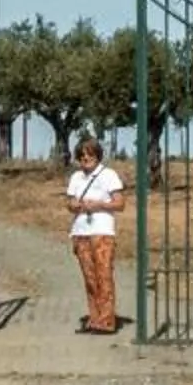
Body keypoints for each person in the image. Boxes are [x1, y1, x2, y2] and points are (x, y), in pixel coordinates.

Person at [64, 135, 125, 335]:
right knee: (89, 278)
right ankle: (94, 318)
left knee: (104, 275)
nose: (85, 159)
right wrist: (74, 205)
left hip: (102, 231)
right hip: (81, 231)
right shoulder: (76, 177)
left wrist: (99, 205)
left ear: (97, 155)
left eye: (89, 155)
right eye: (81, 156)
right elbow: (70, 204)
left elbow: (120, 203)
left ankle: (107, 321)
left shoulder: (109, 175)